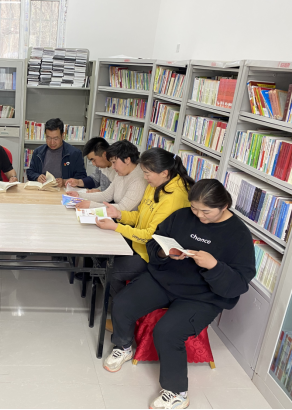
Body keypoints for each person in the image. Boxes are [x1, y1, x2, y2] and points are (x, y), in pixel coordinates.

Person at [104, 179, 256, 409]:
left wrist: (214, 266)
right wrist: (164, 253)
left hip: (203, 296)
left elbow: (239, 283)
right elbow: (155, 241)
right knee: (123, 303)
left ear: (224, 206)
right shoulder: (182, 216)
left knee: (168, 332)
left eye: (206, 211)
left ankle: (177, 392)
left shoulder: (239, 235)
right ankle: (123, 346)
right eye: (194, 208)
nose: (199, 215)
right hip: (166, 279)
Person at [96, 148, 194, 332]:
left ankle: (123, 321)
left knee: (112, 271)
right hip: (140, 245)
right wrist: (119, 214)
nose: (144, 177)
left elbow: (150, 236)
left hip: (156, 256)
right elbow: (140, 216)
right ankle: (118, 312)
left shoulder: (174, 197)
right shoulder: (156, 184)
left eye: (147, 173)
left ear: (164, 172)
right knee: (104, 256)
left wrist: (116, 227)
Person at [69, 140, 147, 211]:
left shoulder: (139, 179)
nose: (113, 167)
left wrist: (91, 205)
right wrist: (79, 195)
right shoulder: (122, 172)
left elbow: (123, 208)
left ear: (127, 160)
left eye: (114, 162)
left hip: (124, 220)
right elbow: (106, 195)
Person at [26, 118, 87, 188]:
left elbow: (82, 177)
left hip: (64, 190)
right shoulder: (38, 152)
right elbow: (30, 172)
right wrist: (37, 177)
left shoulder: (75, 153)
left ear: (62, 135)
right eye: (49, 138)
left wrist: (65, 181)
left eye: (56, 138)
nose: (52, 142)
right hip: (43, 189)